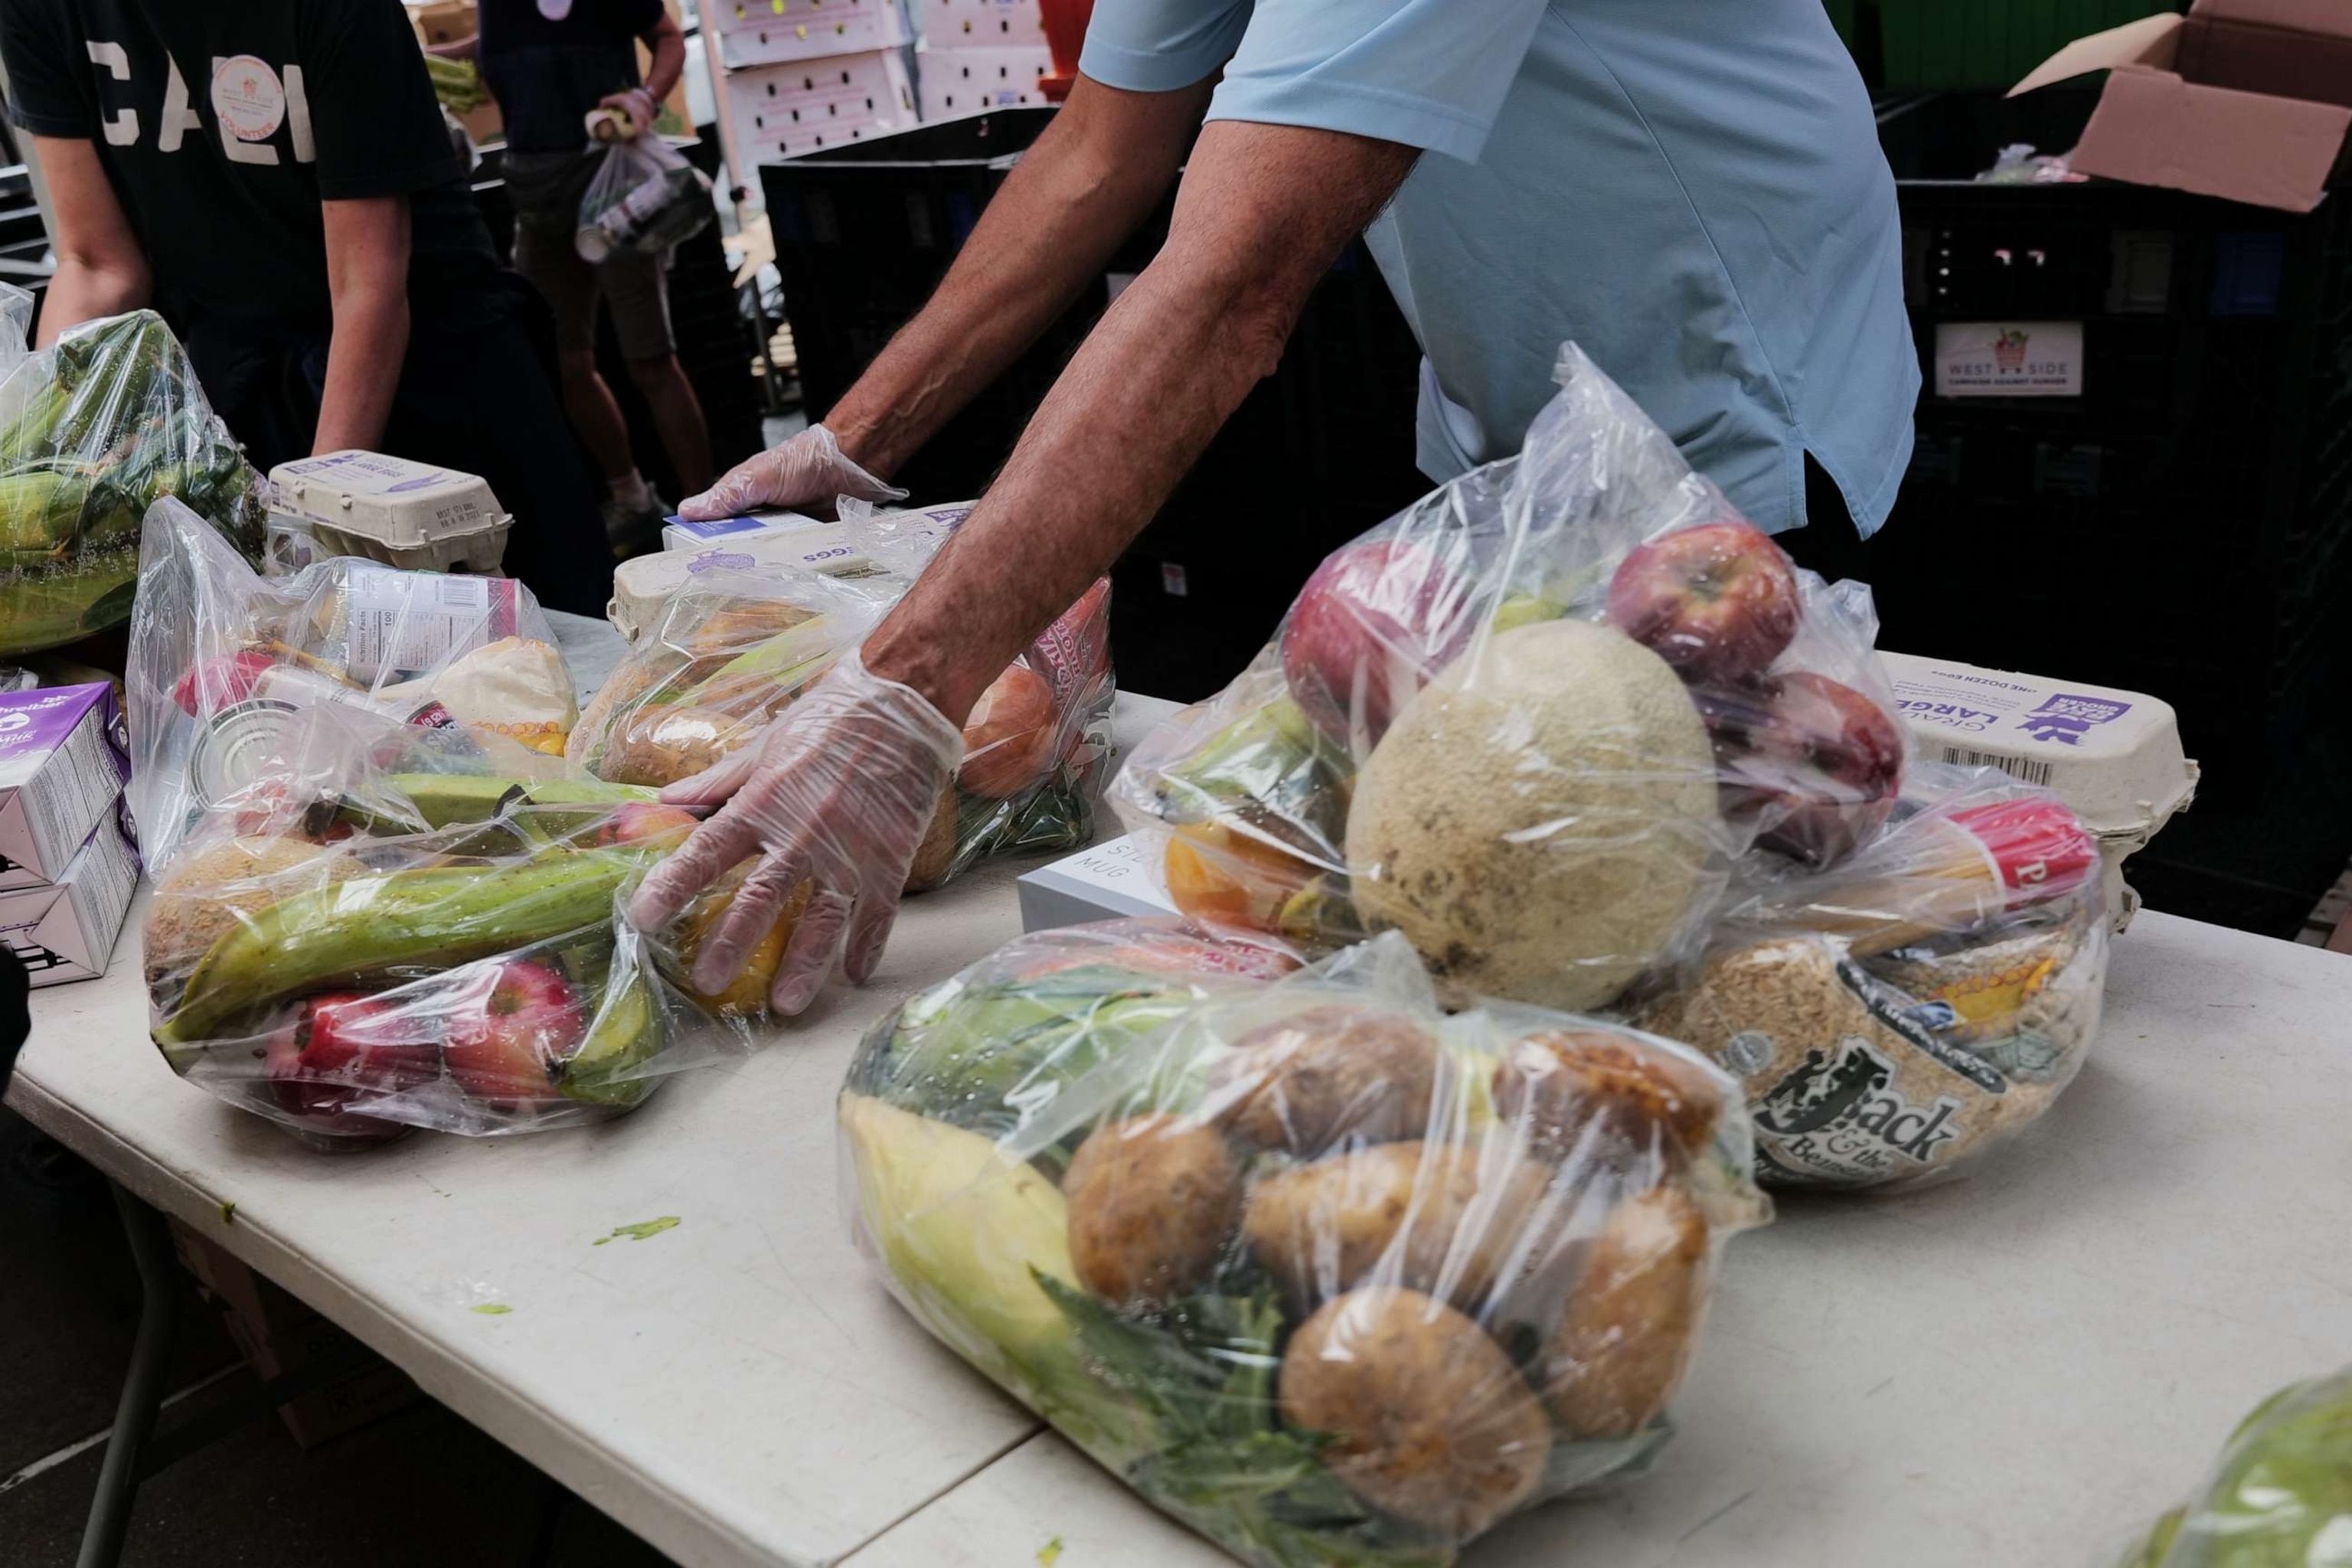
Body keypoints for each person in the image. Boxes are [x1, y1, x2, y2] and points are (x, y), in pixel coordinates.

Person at [628, 0, 1920, 1014]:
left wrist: (909, 685)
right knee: (1513, 849)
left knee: (1707, 905)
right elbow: (1099, 150)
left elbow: (1236, 277)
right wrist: (857, 438)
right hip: (1513, 417)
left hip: (1723, 389)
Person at [0, 0, 613, 615]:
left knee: (520, 653)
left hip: (427, 376)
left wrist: (306, 534)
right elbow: (99, 266)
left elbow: (366, 284)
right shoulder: (42, 14)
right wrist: (31, 466)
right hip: (243, 400)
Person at [468, 0, 713, 553]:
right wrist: (459, 56)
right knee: (564, 360)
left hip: (614, 181)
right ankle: (632, 497)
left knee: (650, 358)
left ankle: (708, 507)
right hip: (535, 197)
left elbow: (669, 38)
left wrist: (645, 97)